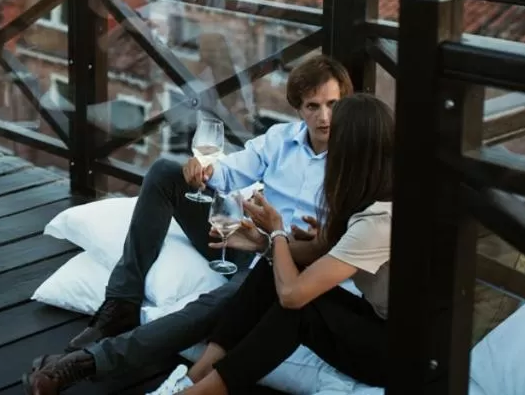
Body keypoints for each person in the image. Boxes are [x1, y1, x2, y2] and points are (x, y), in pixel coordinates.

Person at [24, 55, 353, 393]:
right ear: (298, 108)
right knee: (166, 172)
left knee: (213, 305)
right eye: (313, 106)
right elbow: (233, 170)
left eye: (332, 104)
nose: (324, 117)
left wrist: (316, 238)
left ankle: (85, 363)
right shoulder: (280, 138)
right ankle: (121, 302)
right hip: (246, 241)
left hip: (284, 265)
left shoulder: (355, 156)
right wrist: (205, 169)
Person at [149, 93, 394, 394]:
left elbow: (292, 296)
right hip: (376, 320)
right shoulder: (366, 200)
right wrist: (263, 244)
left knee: (300, 311)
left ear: (352, 152)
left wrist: (277, 231)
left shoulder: (379, 221)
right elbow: (314, 251)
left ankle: (197, 393)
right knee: (271, 269)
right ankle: (194, 376)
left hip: (402, 354)